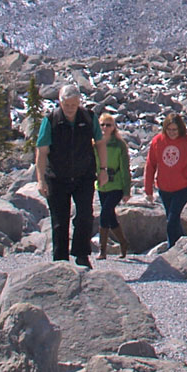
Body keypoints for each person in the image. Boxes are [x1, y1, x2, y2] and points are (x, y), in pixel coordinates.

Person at [34, 81, 104, 268]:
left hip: (84, 175)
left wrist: (103, 170)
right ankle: (60, 261)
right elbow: (42, 151)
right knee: (59, 220)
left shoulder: (89, 118)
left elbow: (100, 143)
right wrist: (41, 180)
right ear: (60, 102)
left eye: (74, 105)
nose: (71, 109)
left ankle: (82, 254)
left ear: (79, 102)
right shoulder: (50, 121)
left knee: (85, 216)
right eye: (67, 105)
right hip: (57, 177)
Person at [144, 113, 187, 249]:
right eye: (169, 129)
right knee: (173, 220)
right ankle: (184, 245)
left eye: (175, 130)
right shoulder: (157, 141)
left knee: (172, 219)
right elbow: (150, 165)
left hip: (184, 187)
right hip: (164, 188)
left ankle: (172, 249)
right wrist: (148, 190)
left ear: (180, 129)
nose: (172, 133)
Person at [96, 112, 131, 259]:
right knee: (110, 217)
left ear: (113, 127)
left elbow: (125, 167)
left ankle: (102, 251)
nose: (105, 127)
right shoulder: (95, 143)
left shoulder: (119, 145)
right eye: (102, 124)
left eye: (108, 125)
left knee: (104, 214)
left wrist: (126, 190)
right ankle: (123, 243)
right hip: (101, 185)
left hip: (116, 185)